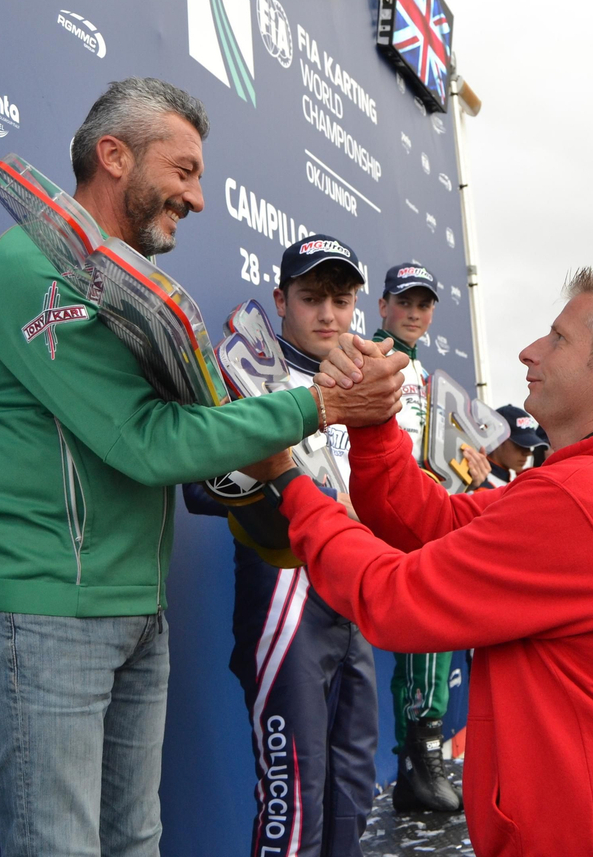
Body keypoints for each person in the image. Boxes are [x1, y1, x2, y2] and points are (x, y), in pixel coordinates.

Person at [0, 79, 396, 857]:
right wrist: (315, 408)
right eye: (183, 170)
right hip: (45, 608)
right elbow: (148, 443)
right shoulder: (26, 266)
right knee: (59, 846)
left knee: (136, 842)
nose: (198, 197)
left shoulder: (125, 283)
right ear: (114, 156)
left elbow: (181, 433)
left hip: (133, 606)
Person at [268, 267, 593, 856]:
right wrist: (377, 420)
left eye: (558, 339)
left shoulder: (587, 499)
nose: (529, 351)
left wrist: (292, 483)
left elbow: (397, 601)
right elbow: (426, 524)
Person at [228, 234, 382, 857]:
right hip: (285, 593)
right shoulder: (246, 367)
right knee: (293, 795)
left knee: (353, 785)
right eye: (311, 297)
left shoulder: (366, 378)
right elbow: (204, 488)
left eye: (340, 300)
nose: (327, 315)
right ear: (280, 300)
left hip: (355, 585)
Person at [372, 261, 468, 814]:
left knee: (428, 630)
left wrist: (461, 468)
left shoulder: (424, 374)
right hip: (386, 509)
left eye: (424, 303)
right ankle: (419, 754)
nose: (413, 311)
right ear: (382, 305)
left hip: (418, 507)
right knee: (425, 623)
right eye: (404, 301)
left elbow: (433, 454)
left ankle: (417, 764)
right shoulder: (374, 357)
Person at [487, 404, 545, 485]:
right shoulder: (479, 483)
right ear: (498, 438)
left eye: (530, 445)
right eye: (521, 444)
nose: (528, 453)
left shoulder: (503, 480)